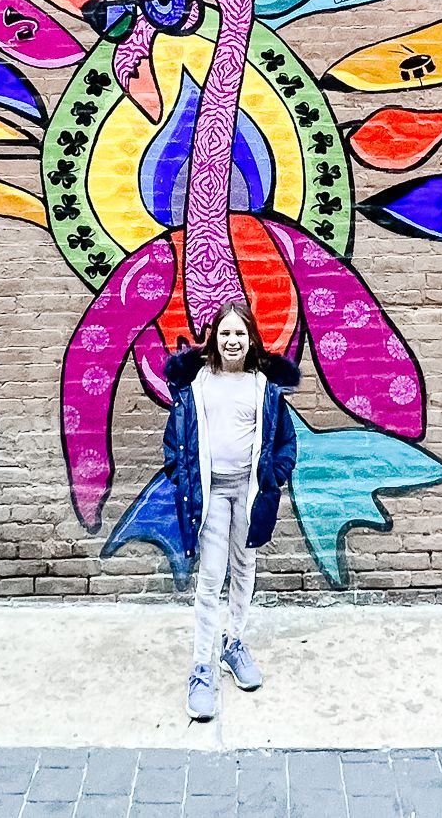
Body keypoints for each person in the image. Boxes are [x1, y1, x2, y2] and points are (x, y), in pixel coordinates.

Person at [161, 299, 300, 722]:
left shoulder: (264, 388)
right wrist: (180, 475)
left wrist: (273, 476)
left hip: (249, 491)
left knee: (244, 568)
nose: (233, 340)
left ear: (251, 339)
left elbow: (285, 444)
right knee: (210, 578)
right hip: (210, 494)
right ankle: (202, 666)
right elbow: (174, 442)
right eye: (226, 333)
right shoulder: (197, 386)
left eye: (240, 333)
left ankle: (233, 644)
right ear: (214, 339)